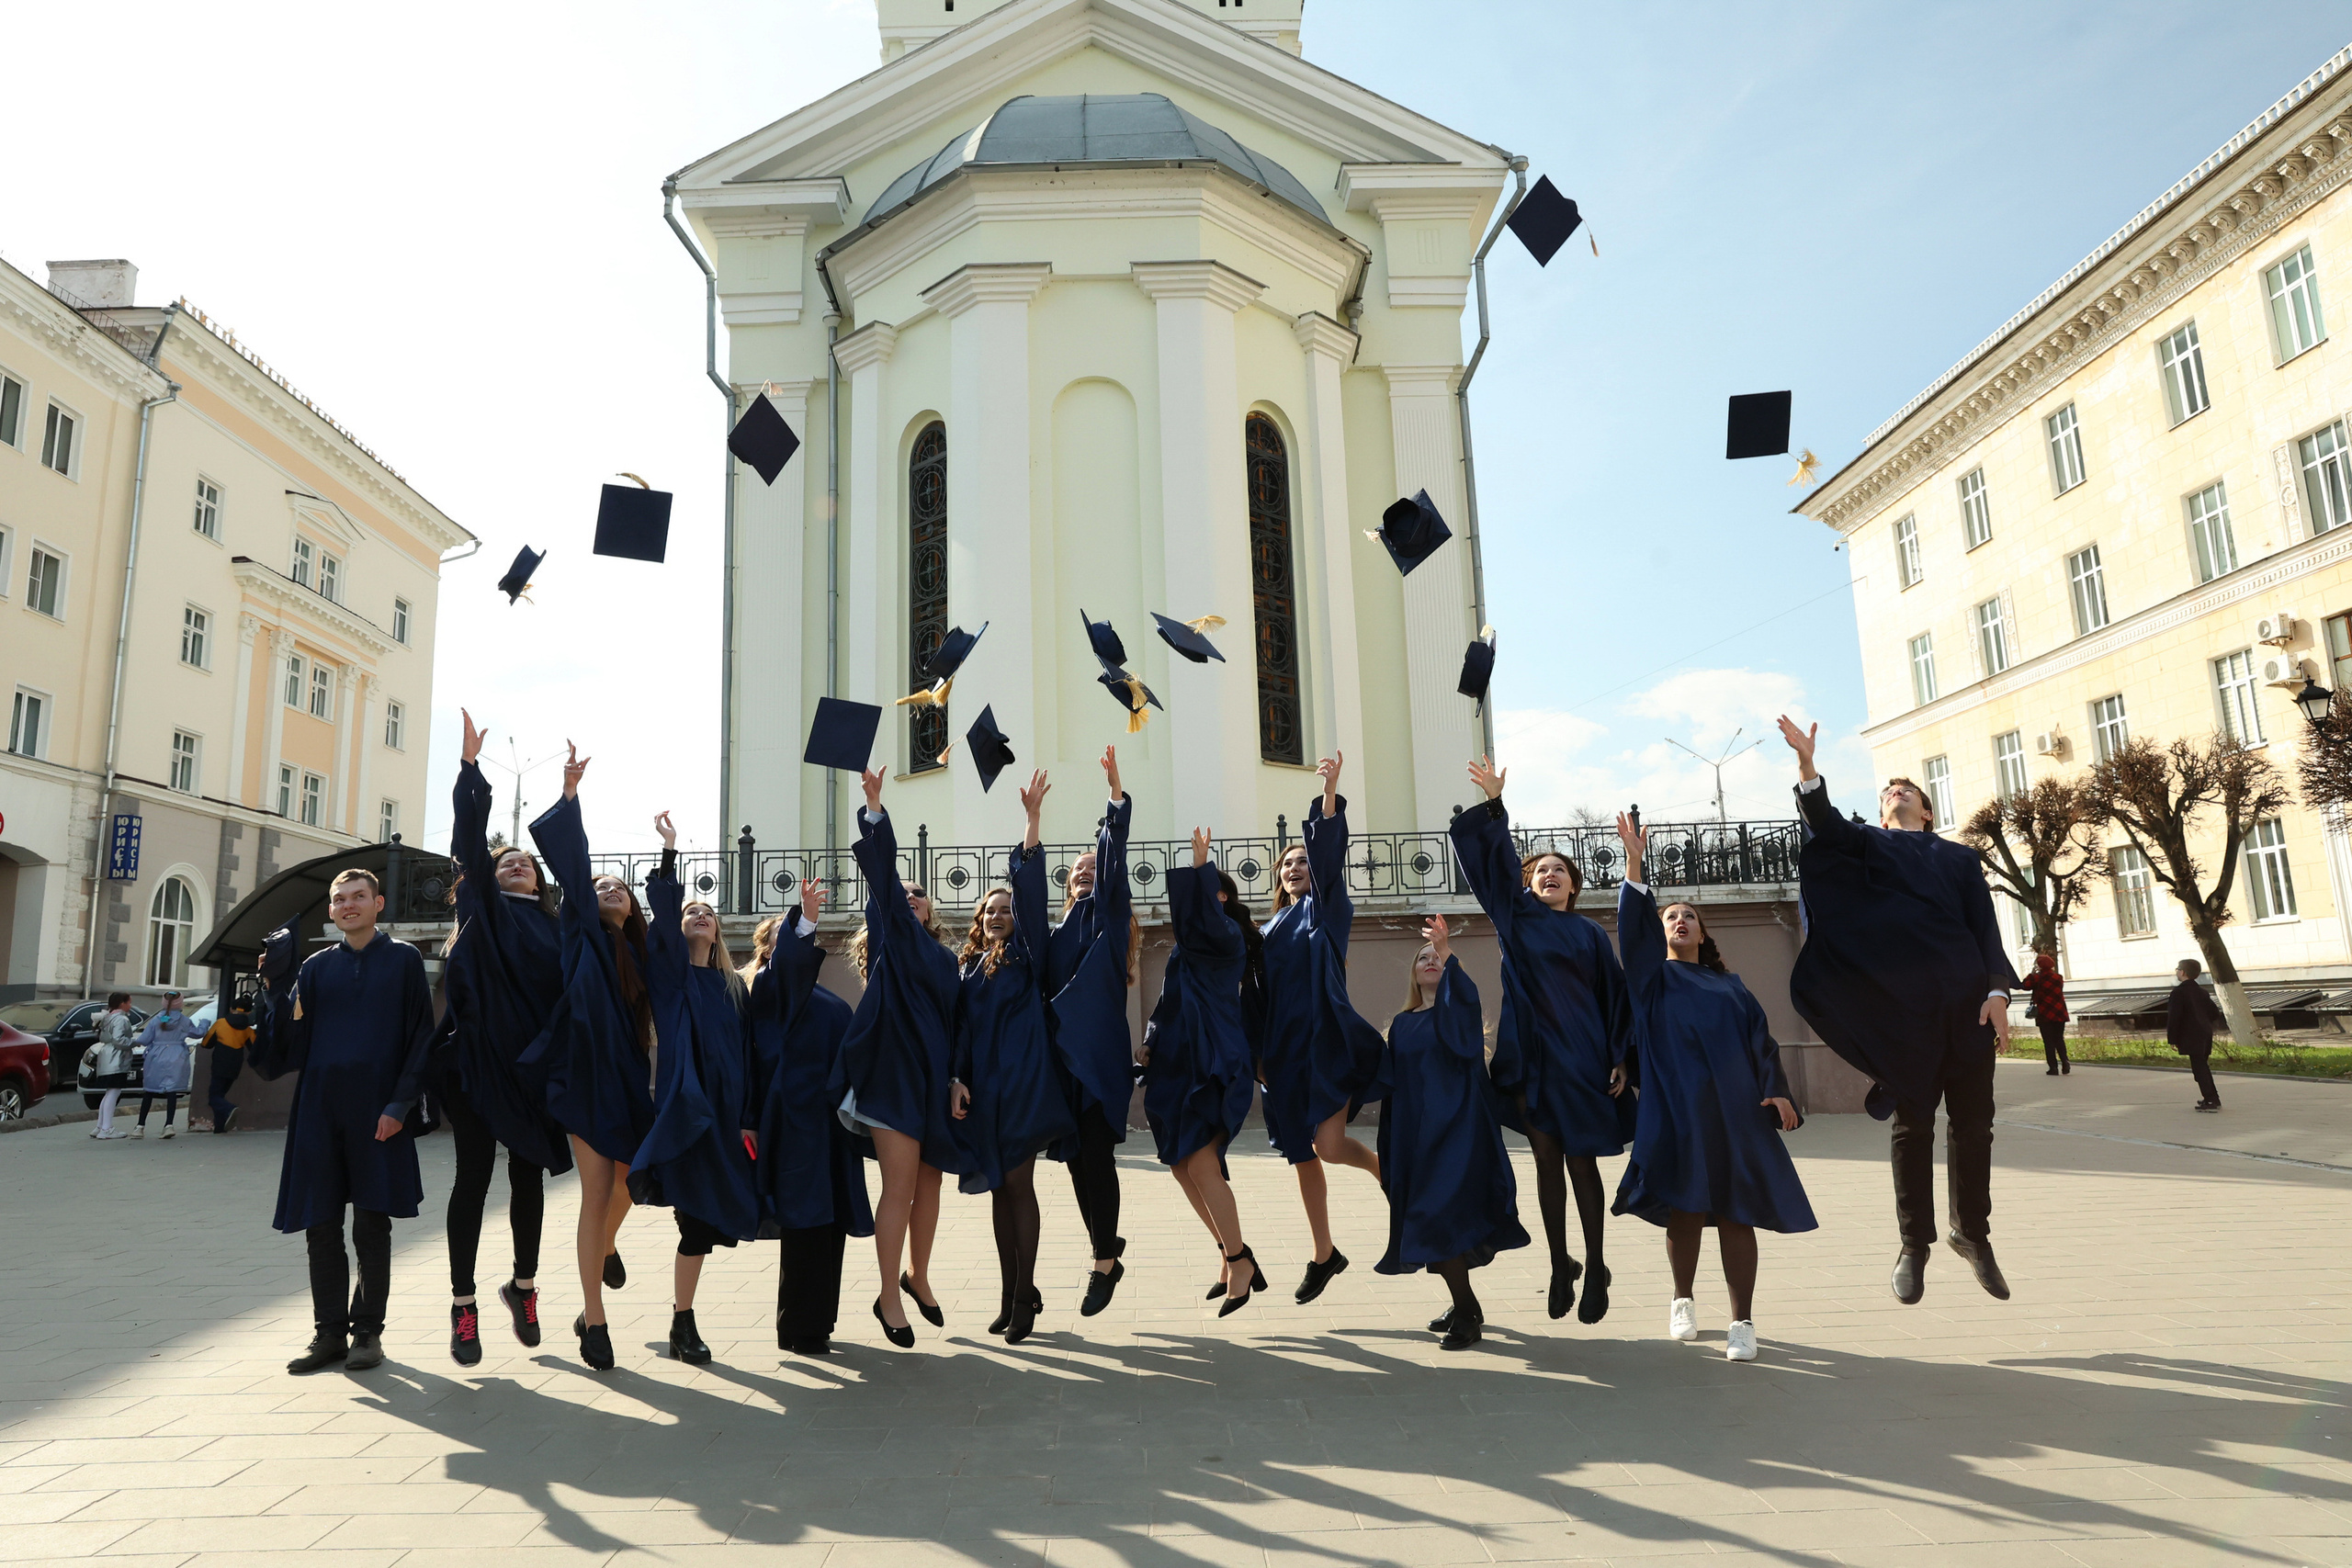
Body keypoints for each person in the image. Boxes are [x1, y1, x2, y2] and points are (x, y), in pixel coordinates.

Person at [1778, 715, 2018, 1306]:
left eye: (1908, 790)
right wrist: (1808, 767)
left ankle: (1974, 1236)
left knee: (1976, 1126)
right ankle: (1915, 1244)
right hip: (1904, 1012)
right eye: (1889, 791)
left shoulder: (1961, 860)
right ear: (1883, 811)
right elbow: (1826, 826)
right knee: (1914, 1126)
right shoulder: (1869, 844)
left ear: (1928, 811)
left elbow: (1983, 928)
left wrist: (1997, 993)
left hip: (1966, 1004)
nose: (1897, 792)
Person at [1610, 814, 1816, 1363]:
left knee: (1735, 1211)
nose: (1679, 920)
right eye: (1670, 916)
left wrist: (1777, 1091)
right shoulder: (1652, 981)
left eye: (1689, 916)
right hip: (1677, 1110)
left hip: (1736, 1113)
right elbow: (1631, 937)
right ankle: (1682, 1300)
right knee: (1684, 1205)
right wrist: (1635, 866)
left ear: (1703, 933)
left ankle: (1742, 1322)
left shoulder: (1732, 987)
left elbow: (1762, 1042)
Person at [1449, 758, 1634, 1325]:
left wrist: (1621, 1056)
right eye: (1541, 871)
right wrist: (1496, 805)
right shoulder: (1517, 919)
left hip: (1583, 1062)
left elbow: (1616, 998)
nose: (1550, 875)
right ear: (1528, 884)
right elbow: (1495, 867)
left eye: (1561, 871)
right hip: (1531, 1062)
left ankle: (1597, 1265)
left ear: (1574, 887)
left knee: (1582, 1166)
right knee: (1546, 1166)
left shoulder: (1589, 935)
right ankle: (1560, 1264)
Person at [249, 869, 435, 1375]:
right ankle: (328, 1333)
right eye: (339, 899)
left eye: (358, 897)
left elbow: (422, 1037)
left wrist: (399, 1105)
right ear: (330, 911)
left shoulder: (404, 960)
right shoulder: (314, 968)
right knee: (321, 1223)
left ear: (377, 903)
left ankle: (367, 1332)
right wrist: (272, 989)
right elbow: (285, 1048)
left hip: (379, 1111)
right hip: (319, 1110)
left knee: (372, 1224)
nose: (348, 905)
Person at [440, 711, 571, 1368]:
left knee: (529, 1179)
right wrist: (471, 772)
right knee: (471, 1178)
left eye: (526, 862)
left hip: (534, 1070)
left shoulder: (556, 929)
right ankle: (463, 1305)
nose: (518, 863)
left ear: (538, 880)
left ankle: (523, 1287)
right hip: (477, 1066)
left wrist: (570, 799)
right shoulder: (485, 914)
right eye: (507, 859)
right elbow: (469, 841)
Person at [521, 744, 657, 1371]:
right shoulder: (579, 926)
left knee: (632, 1180)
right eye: (600, 884)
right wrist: (571, 797)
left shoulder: (641, 958)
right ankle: (592, 1318)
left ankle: (602, 1249)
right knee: (597, 1188)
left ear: (633, 910)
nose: (607, 890)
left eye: (619, 889)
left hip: (626, 1076)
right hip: (581, 1072)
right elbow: (575, 870)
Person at [838, 768, 967, 1348]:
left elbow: (958, 1022)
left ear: (932, 912)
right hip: (892, 1076)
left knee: (931, 1183)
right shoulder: (891, 935)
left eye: (920, 895)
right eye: (905, 893)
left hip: (934, 1079)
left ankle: (919, 1274)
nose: (910, 897)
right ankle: (889, 1293)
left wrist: (958, 1077)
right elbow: (884, 876)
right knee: (900, 1186)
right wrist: (875, 807)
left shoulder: (948, 960)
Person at [951, 772, 1078, 1344]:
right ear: (979, 922)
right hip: (986, 1094)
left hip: (1025, 1086)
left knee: (1019, 1187)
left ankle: (1025, 1298)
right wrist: (957, 1079)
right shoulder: (969, 970)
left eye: (1006, 908)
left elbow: (1029, 897)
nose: (999, 914)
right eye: (991, 911)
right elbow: (959, 1032)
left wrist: (1031, 824)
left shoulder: (1027, 954)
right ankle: (1010, 1295)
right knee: (1000, 1192)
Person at [630, 812, 761, 1364]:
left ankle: (681, 1319)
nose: (701, 915)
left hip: (726, 1117)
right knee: (690, 1221)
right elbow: (662, 909)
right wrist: (668, 851)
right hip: (684, 1111)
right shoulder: (670, 975)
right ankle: (680, 1320)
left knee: (704, 1224)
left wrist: (748, 1117)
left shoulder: (734, 987)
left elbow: (749, 1058)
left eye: (708, 912)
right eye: (692, 912)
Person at [1257, 752, 1385, 1304]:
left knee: (1330, 1145)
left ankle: (1388, 1174)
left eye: (1303, 863)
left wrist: (1329, 796)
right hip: (1281, 1055)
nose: (1295, 869)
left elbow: (1328, 859)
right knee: (1303, 1153)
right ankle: (1324, 1252)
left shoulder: (1327, 910)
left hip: (1324, 1045)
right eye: (1287, 865)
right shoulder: (1266, 929)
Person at [1375, 915, 1527, 1350]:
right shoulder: (1402, 1025)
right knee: (1427, 1223)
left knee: (1436, 1219)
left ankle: (1466, 1316)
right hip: (1415, 1140)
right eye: (1423, 958)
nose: (1430, 962)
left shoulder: (1457, 1016)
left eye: (1436, 959)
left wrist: (1446, 950)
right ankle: (1467, 1304)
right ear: (1413, 973)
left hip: (1458, 1136)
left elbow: (1462, 1008)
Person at [1136, 828, 1262, 1316]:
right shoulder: (1183, 950)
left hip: (1212, 1060)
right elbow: (1168, 1002)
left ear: (1221, 897)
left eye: (1202, 892)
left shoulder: (1226, 936)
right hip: (1176, 1061)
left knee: (1203, 1163)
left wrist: (1200, 865)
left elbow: (1203, 921)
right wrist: (1150, 1039)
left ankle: (1239, 1259)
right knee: (1180, 1164)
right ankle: (1233, 1254)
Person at [747, 880, 873, 1356]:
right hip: (794, 1124)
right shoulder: (769, 987)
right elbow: (789, 969)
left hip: (831, 1125)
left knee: (830, 1223)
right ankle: (797, 1325)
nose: (802, 940)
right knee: (804, 1221)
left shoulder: (827, 1000)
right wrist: (807, 918)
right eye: (790, 933)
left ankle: (819, 1321)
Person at [1043, 746, 1140, 1316]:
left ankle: (1104, 1259)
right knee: (1078, 1162)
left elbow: (1114, 863)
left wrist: (1113, 801)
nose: (1084, 875)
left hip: (1099, 1062)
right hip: (1063, 1065)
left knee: (1097, 1158)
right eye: (1075, 871)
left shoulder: (1108, 923)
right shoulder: (1055, 935)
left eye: (1091, 869)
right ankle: (1107, 1246)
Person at [131, 990, 202, 1138]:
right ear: (180, 1003)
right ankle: (168, 1125)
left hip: (156, 1055)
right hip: (176, 1055)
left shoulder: (156, 1020)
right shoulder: (184, 1021)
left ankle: (140, 1127)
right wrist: (205, 1023)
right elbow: (198, 1033)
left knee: (149, 1091)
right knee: (172, 1091)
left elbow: (144, 1040)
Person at [2166, 958, 2224, 1112]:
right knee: (2202, 1067)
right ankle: (2211, 1097)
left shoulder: (2179, 992)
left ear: (2183, 972)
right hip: (2205, 1033)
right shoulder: (2201, 992)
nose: (2177, 972)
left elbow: (2174, 1017)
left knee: (2199, 1069)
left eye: (2178, 969)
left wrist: (2173, 1038)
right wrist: (2203, 1021)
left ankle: (2211, 1099)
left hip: (2190, 1035)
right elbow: (2214, 1013)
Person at [87, 992, 140, 1141]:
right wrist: (135, 1042)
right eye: (129, 1002)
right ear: (122, 1003)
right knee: (114, 1092)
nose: (130, 1005)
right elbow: (119, 1040)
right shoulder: (121, 1019)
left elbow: (108, 1038)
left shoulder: (107, 1018)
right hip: (117, 1060)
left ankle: (100, 1126)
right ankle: (106, 1128)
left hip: (106, 1058)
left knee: (109, 1092)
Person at [199, 998, 255, 1133]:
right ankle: (220, 1126)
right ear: (249, 1012)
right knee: (220, 1095)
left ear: (231, 1009)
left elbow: (206, 1044)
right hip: (236, 1064)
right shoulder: (248, 1030)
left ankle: (229, 1109)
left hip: (220, 1062)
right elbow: (255, 1048)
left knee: (214, 1097)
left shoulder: (220, 1023)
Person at [2022, 952, 2069, 1075]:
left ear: (2039, 965)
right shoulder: (2058, 977)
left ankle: (2053, 1068)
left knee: (2048, 1041)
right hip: (2059, 1012)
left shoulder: (2036, 978)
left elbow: (2024, 985)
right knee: (2059, 1039)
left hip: (2044, 1014)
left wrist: (2032, 973)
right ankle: (2065, 1063)